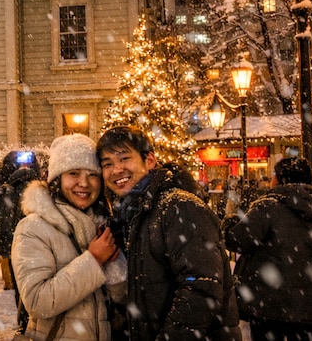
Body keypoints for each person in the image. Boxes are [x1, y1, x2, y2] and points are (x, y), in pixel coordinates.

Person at [97, 125, 240, 340]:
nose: (116, 170)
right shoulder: (131, 214)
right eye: (107, 164)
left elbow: (201, 287)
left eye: (124, 158)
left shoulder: (177, 206)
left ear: (150, 161)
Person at [12, 135, 123, 340]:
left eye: (92, 175)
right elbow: (38, 302)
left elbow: (119, 298)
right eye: (73, 173)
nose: (84, 183)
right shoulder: (33, 228)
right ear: (57, 178)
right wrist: (94, 260)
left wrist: (115, 267)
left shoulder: (102, 226)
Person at [224, 157, 312, 341]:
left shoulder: (267, 208)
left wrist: (230, 225)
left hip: (269, 306)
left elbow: (238, 241)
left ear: (280, 179)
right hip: (309, 312)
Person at [0, 163, 40, 327]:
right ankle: (32, 320)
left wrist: (4, 245)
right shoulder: (37, 192)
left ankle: (22, 321)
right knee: (34, 284)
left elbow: (0, 220)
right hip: (33, 245)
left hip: (13, 244)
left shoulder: (7, 192)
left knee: (18, 285)